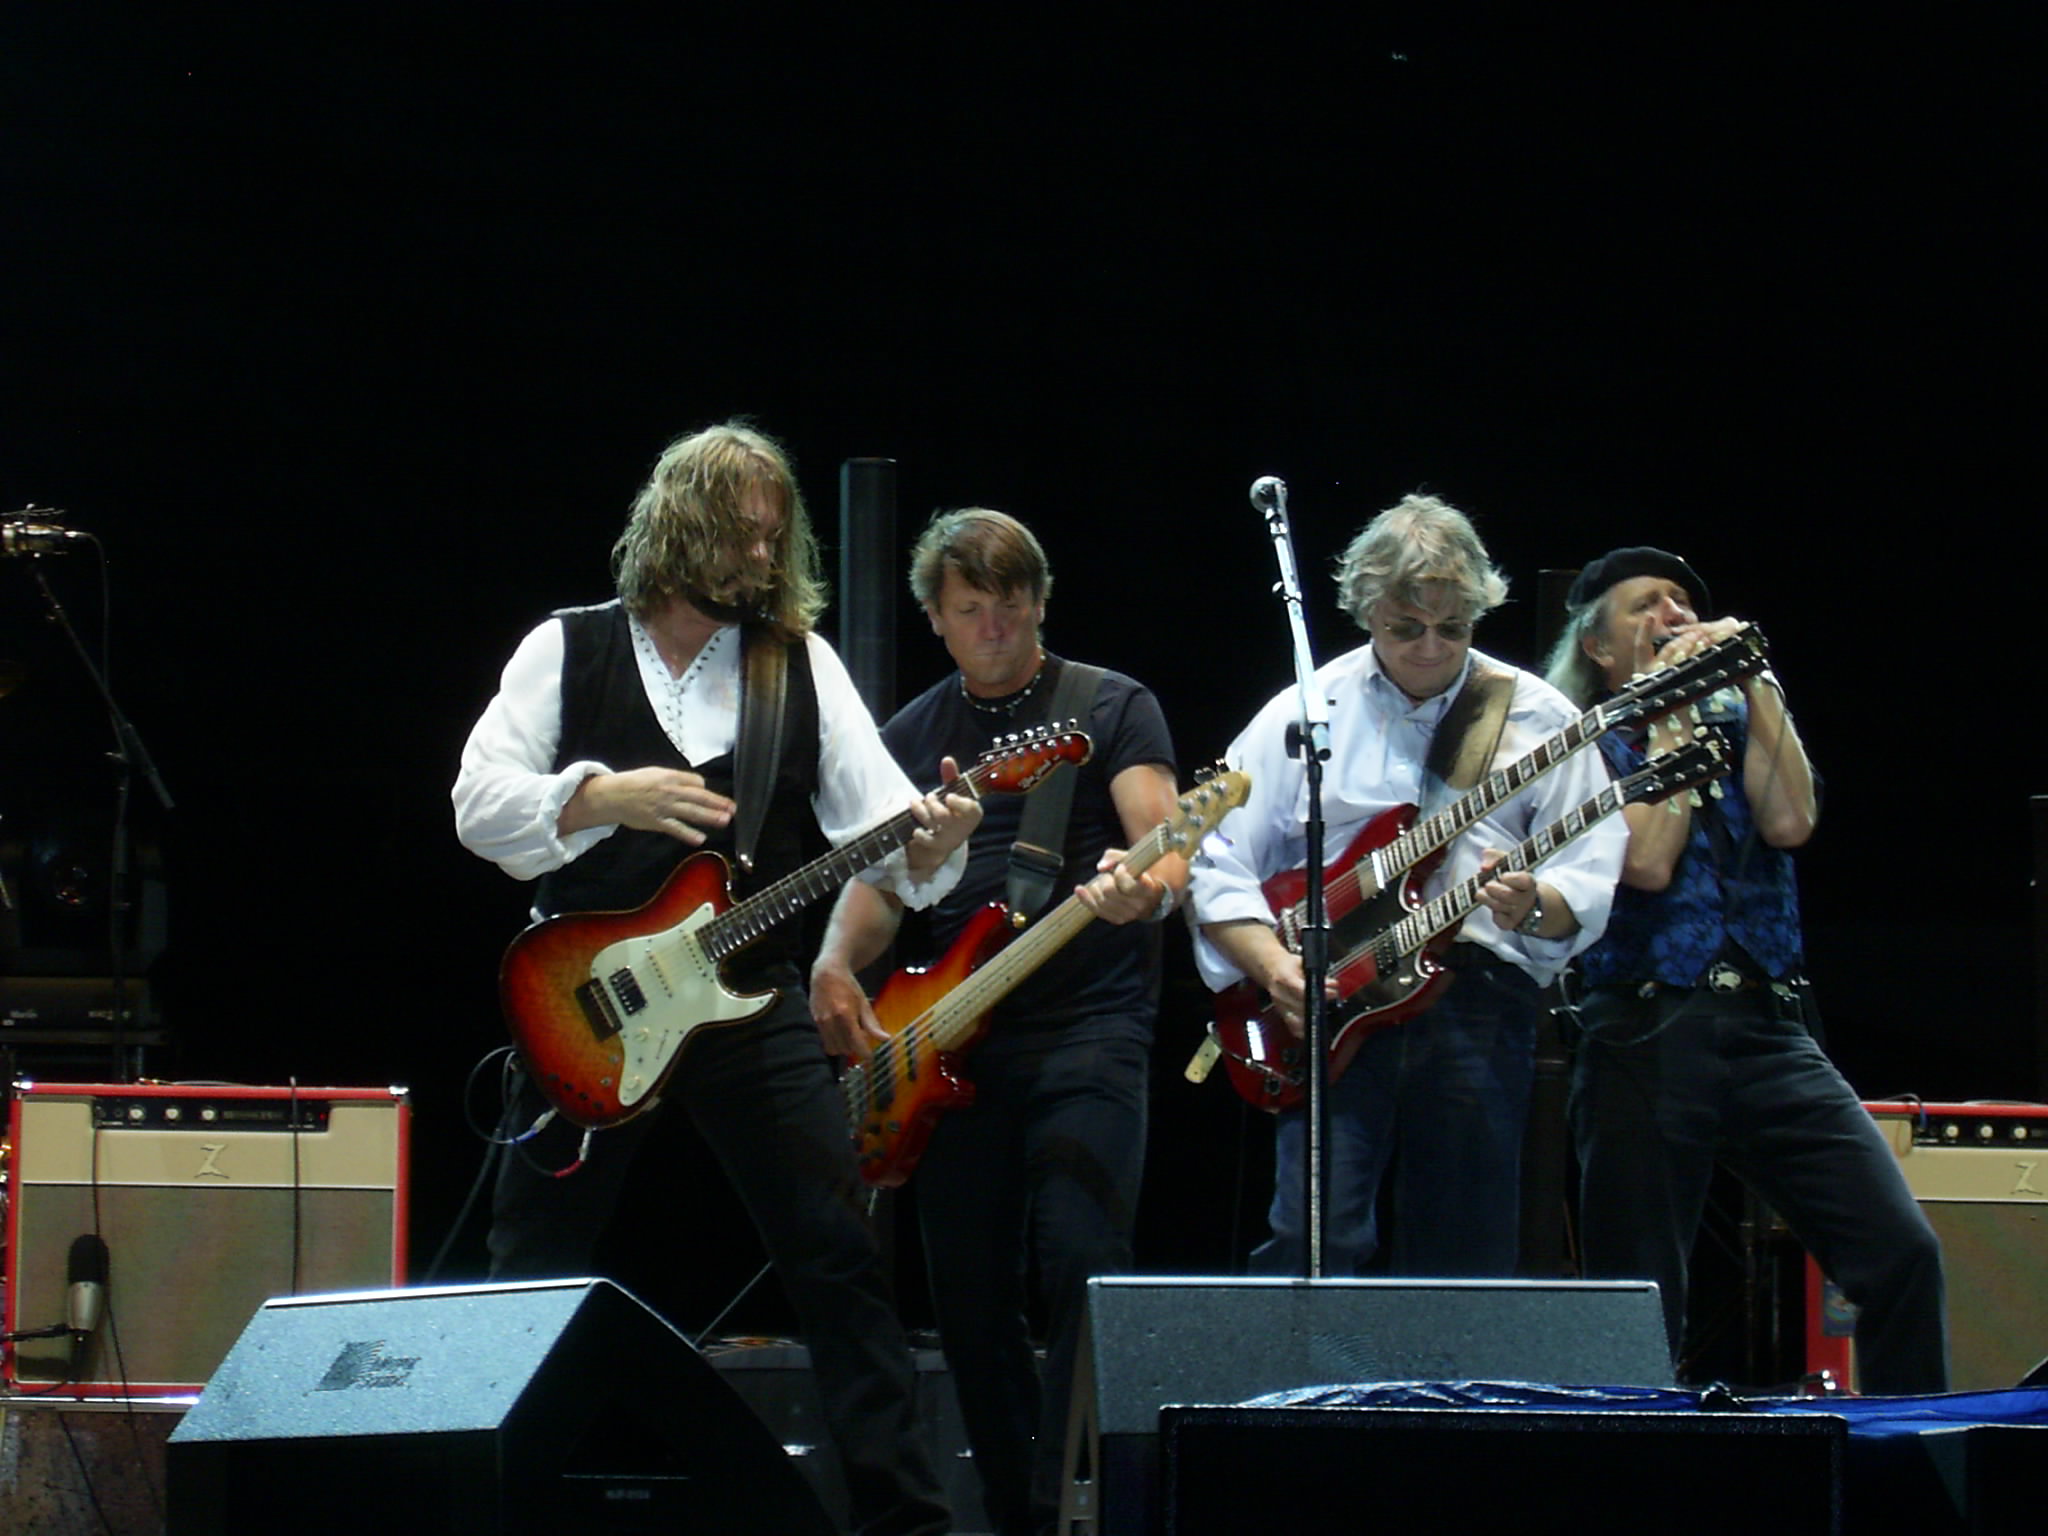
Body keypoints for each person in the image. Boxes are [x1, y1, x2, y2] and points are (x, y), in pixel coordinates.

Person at [452, 422, 982, 1536]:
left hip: (748, 997)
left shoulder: (798, 664)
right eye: (738, 533)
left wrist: (935, 845)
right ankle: (486, 1502)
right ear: (678, 526)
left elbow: (884, 835)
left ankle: (905, 1520)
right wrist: (600, 798)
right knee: (530, 1265)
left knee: (837, 1252)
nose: (758, 555)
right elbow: (477, 806)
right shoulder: (569, 645)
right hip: (583, 998)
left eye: (770, 535)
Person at [810, 509, 1181, 1536]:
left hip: (1088, 1025)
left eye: (1010, 606)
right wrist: (836, 963)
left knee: (1079, 1266)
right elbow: (883, 883)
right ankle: (1021, 1514)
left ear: (1040, 600)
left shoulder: (1108, 705)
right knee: (968, 1300)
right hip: (944, 1037)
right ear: (935, 616)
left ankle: (1091, 1500)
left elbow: (1165, 841)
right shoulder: (911, 733)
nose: (994, 629)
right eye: (970, 610)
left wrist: (1135, 883)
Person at [1187, 493, 1625, 1277]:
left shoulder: (1535, 715)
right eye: (1405, 628)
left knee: (1462, 1254)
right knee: (1312, 1242)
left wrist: (1535, 903)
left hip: (1476, 997)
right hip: (1332, 999)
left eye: (1451, 628)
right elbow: (1219, 859)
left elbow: (1590, 869)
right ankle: (1296, 1399)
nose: (1430, 649)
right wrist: (1273, 967)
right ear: (1365, 614)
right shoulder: (1307, 710)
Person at [1546, 545, 1946, 1392]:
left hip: (1767, 1025)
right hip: (1644, 1026)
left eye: (1684, 601)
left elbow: (1793, 819)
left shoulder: (1742, 727)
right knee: (1642, 1297)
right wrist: (1672, 713)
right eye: (1646, 606)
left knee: (1900, 1251)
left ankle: (1908, 1469)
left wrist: (1757, 679)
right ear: (1600, 647)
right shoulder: (1583, 746)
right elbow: (1649, 861)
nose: (1674, 616)